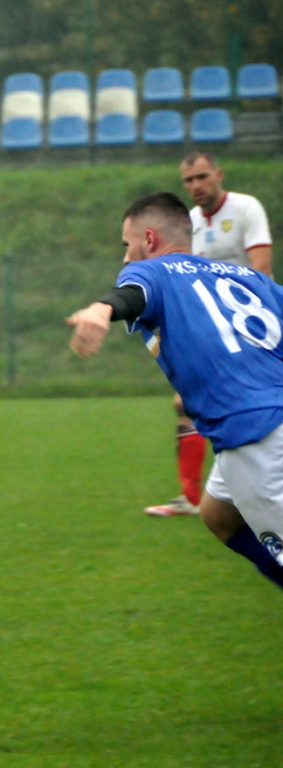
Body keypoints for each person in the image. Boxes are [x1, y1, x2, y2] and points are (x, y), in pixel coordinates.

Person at [66, 191, 283, 592]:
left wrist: (100, 309)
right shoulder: (251, 278)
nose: (126, 258)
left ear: (149, 239)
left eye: (127, 245)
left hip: (255, 437)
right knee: (219, 513)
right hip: (267, 416)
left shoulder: (153, 271)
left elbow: (133, 294)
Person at [143, 152, 274, 517]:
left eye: (202, 177)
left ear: (218, 174)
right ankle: (192, 496)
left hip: (255, 326)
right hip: (213, 333)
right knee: (185, 403)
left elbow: (261, 270)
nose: (196, 186)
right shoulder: (191, 224)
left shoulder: (246, 208)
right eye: (188, 181)